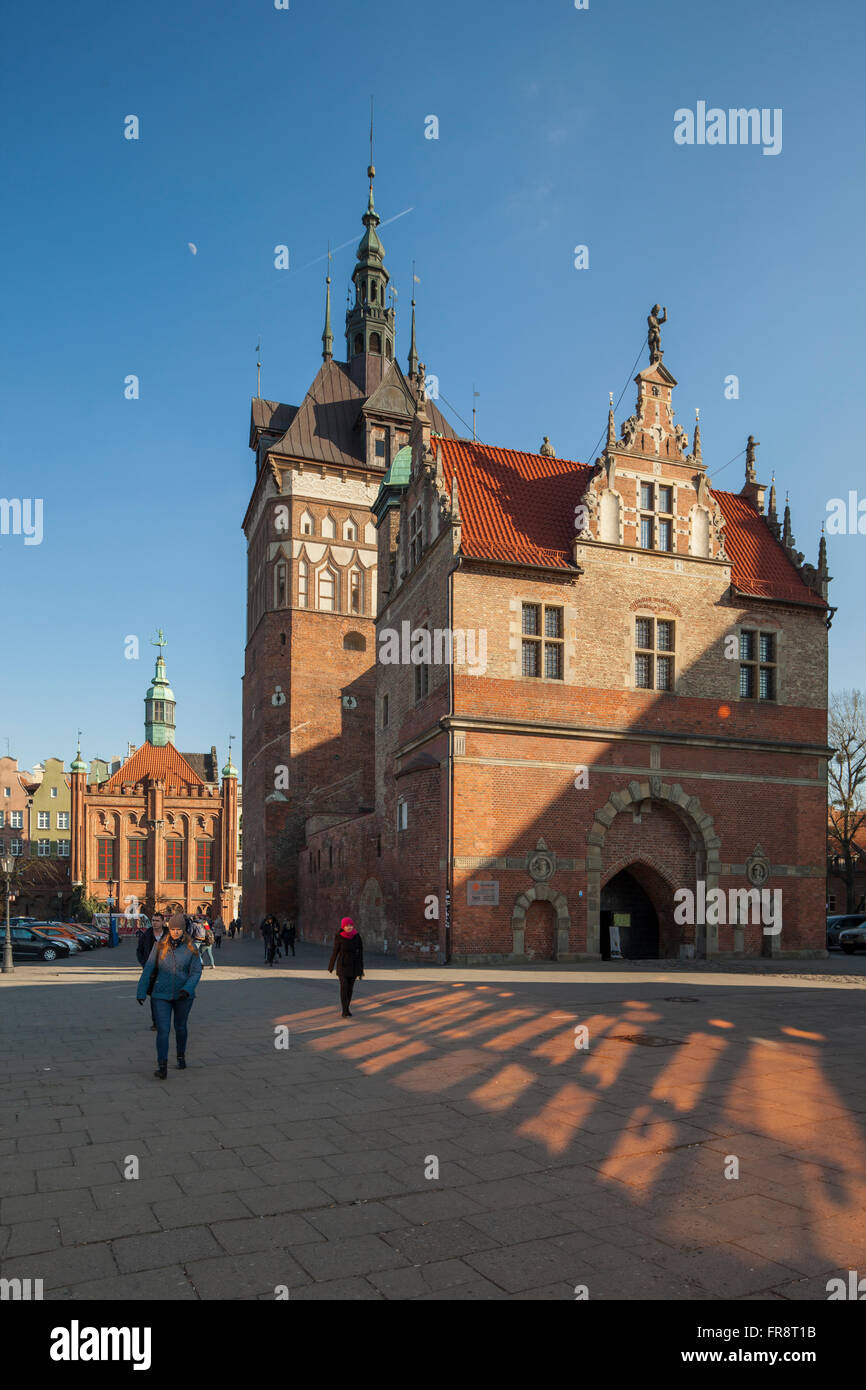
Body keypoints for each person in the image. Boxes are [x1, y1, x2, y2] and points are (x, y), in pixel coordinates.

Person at [136, 913, 202, 1078]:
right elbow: (149, 968)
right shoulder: (159, 946)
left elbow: (196, 972)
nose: (175, 932)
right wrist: (141, 991)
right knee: (163, 1030)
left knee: (180, 1027)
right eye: (173, 929)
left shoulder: (191, 948)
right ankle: (162, 1065)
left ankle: (180, 1056)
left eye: (178, 929)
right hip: (161, 994)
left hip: (183, 996)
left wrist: (187, 989)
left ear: (183, 930)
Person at [328, 917, 364, 1018]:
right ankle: (344, 1010)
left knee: (350, 989)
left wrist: (361, 968)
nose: (349, 927)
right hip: (342, 965)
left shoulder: (357, 936)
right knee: (344, 987)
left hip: (353, 965)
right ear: (343, 926)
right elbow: (335, 951)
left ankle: (347, 1008)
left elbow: (360, 953)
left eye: (351, 925)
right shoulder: (339, 936)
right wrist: (331, 965)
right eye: (347, 925)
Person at [136, 913, 166, 1031]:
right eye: (153, 920)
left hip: (167, 972)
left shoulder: (170, 935)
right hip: (152, 972)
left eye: (157, 920)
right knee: (154, 997)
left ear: (163, 922)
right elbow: (139, 951)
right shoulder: (146, 935)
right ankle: (156, 1022)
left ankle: (164, 1019)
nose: (154, 923)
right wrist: (145, 964)